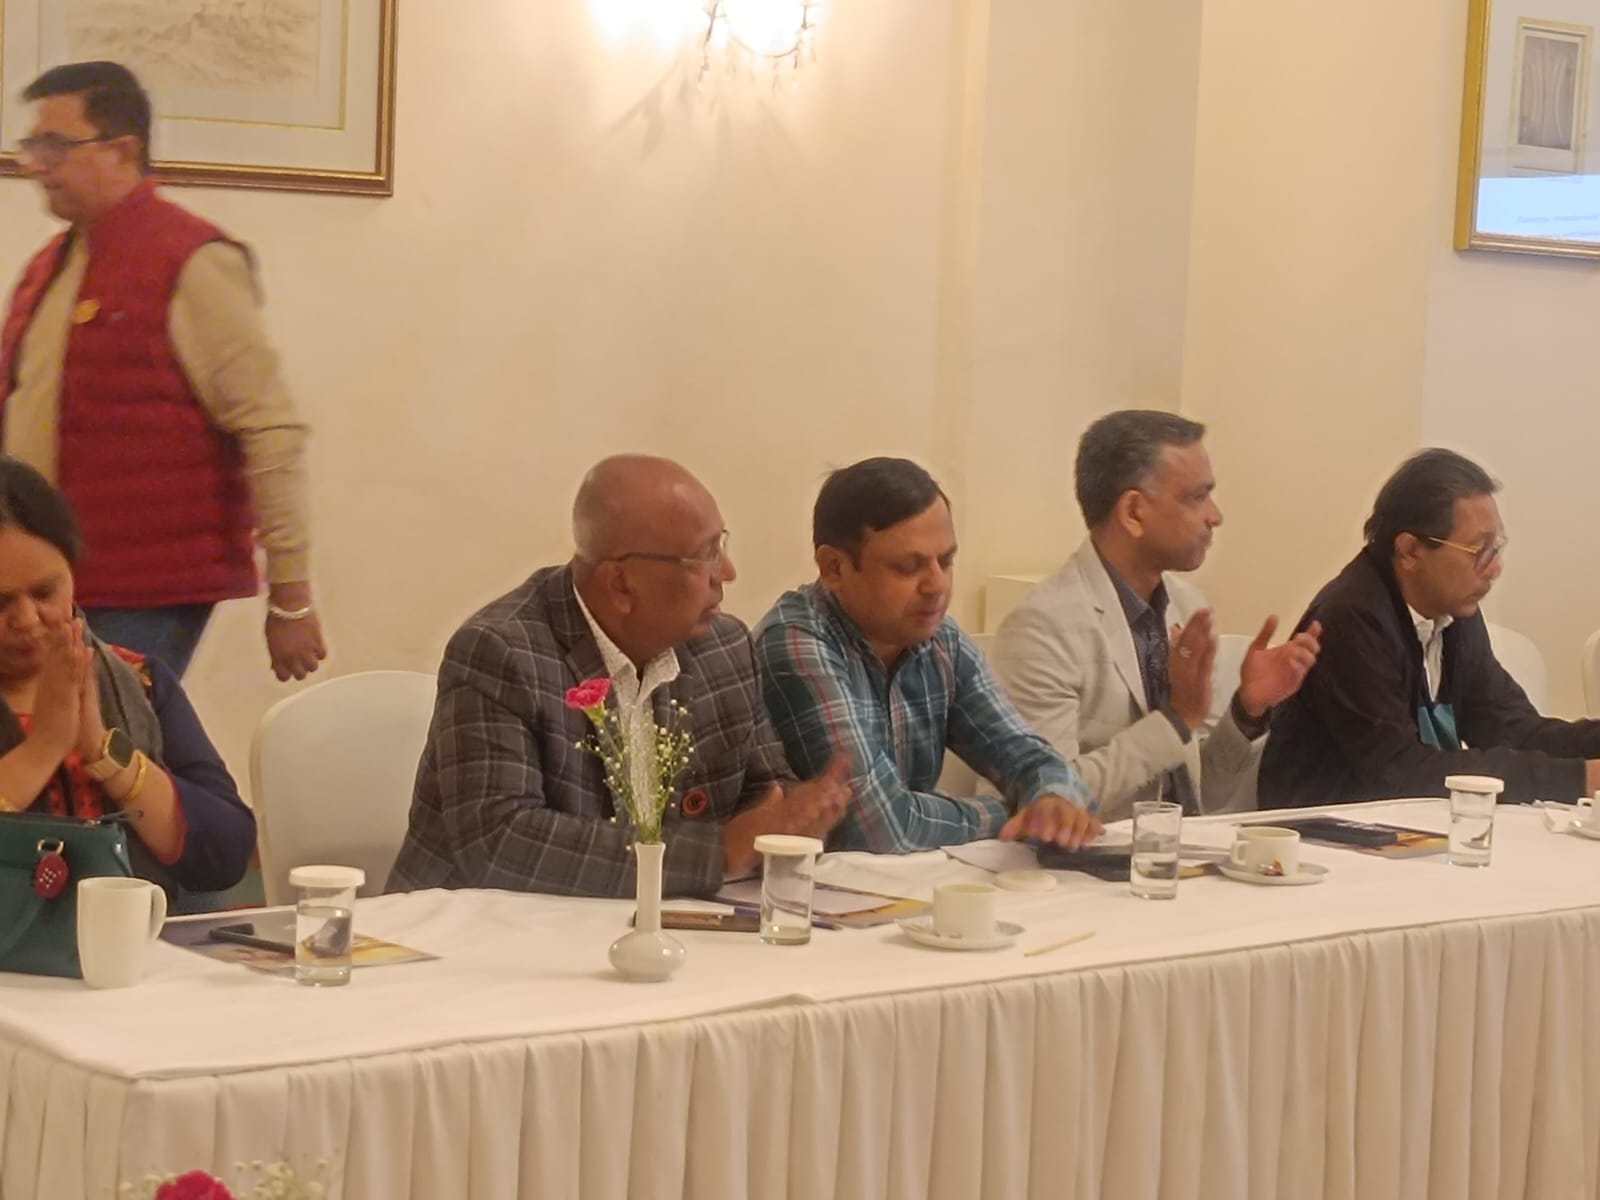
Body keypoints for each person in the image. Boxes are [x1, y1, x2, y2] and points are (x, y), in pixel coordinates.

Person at [388, 455, 850, 898]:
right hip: (472, 935)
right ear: (621, 584)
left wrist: (793, 816)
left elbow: (764, 789)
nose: (727, 573)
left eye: (721, 545)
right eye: (705, 555)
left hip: (664, 925)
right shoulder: (500, 652)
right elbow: (500, 840)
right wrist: (716, 853)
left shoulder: (723, 649)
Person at [0, 61, 324, 681]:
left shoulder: (191, 260)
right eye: (32, 146)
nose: (35, 165)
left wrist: (291, 596)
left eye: (55, 146)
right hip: (50, 578)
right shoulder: (51, 265)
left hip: (143, 587)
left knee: (114, 732)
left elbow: (269, 428)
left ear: (122, 150)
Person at [754, 456, 1101, 853]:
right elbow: (878, 829)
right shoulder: (795, 643)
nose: (937, 585)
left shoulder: (940, 640)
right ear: (834, 568)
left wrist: (1052, 798)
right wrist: (1014, 815)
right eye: (908, 567)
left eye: (947, 561)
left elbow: (1031, 757)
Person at [990, 410, 1321, 823]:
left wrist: (1246, 710)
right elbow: (1048, 802)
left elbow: (1201, 795)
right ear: (1133, 512)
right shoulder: (1043, 627)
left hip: (1177, 850)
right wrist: (1176, 719)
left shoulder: (1185, 605)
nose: (1215, 516)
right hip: (1086, 860)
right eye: (1196, 497)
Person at [1261, 448, 1600, 807]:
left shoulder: (1454, 611)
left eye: (1496, 548)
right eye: (1479, 550)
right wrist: (1579, 779)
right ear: (1410, 551)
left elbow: (1511, 728)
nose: (1495, 568)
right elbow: (1401, 772)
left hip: (1404, 826)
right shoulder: (1351, 620)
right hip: (1320, 827)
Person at [0, 457, 255, 909]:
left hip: (139, 941)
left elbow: (225, 854)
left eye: (44, 593)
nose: (27, 619)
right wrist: (45, 747)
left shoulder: (138, 678)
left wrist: (104, 751)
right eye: (0, 603)